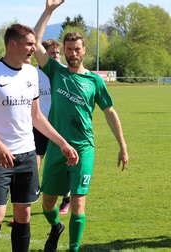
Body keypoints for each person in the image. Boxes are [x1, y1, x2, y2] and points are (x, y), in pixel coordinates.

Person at [0, 23, 79, 252]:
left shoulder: (31, 73)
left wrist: (63, 143)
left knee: (23, 214)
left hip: (27, 154)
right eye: (29, 43)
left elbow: (37, 116)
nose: (33, 48)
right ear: (13, 44)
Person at [34, 1, 129, 251]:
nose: (73, 53)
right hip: (57, 146)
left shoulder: (94, 81)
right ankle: (55, 227)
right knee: (47, 204)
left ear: (84, 50)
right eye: (69, 49)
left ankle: (74, 248)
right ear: (63, 51)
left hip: (84, 147)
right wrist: (48, 11)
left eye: (77, 49)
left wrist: (122, 145)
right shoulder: (55, 71)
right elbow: (34, 43)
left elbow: (110, 112)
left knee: (78, 203)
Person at [36, 39, 72, 215]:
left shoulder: (64, 73)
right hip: (39, 124)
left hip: (59, 126)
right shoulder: (33, 74)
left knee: (64, 162)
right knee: (34, 161)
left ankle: (67, 197)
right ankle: (27, 200)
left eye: (58, 53)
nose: (56, 56)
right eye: (52, 53)